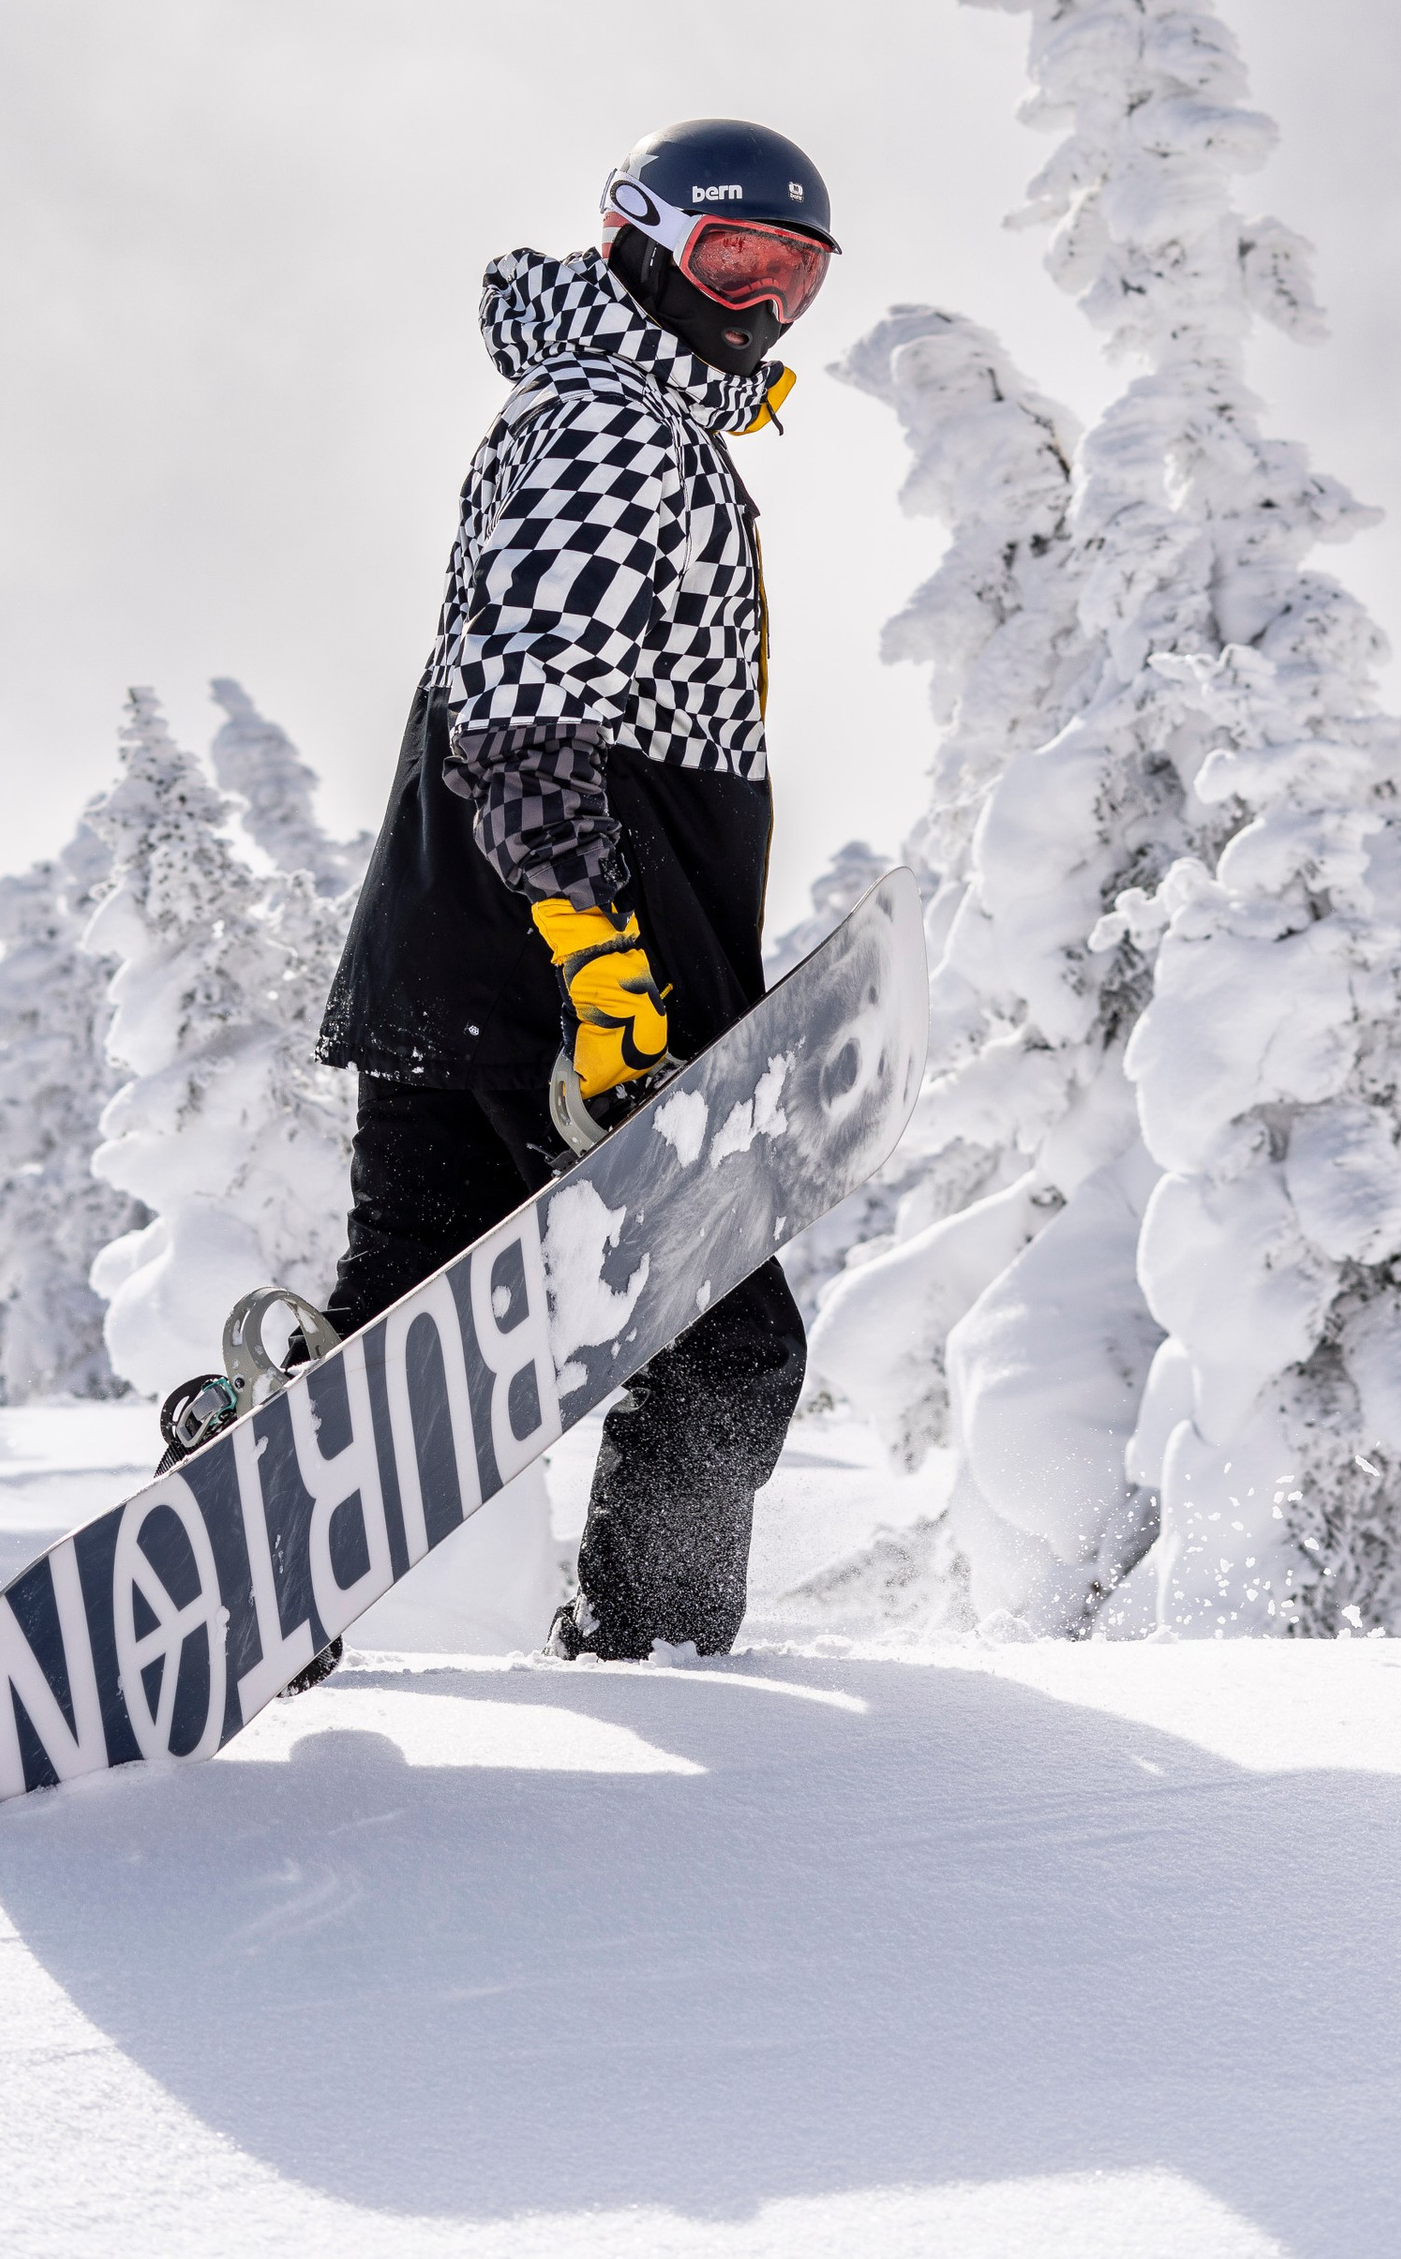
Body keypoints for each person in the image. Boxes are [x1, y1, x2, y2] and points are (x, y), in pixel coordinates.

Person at [312, 115, 839, 1660]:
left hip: (459, 961)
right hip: (552, 983)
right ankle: (656, 1658)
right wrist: (605, 971)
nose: (761, 301)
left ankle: (224, 1561)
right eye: (735, 254)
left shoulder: (610, 411)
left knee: (391, 1345)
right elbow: (525, 709)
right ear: (641, 236)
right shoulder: (621, 422)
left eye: (796, 275)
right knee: (725, 1352)